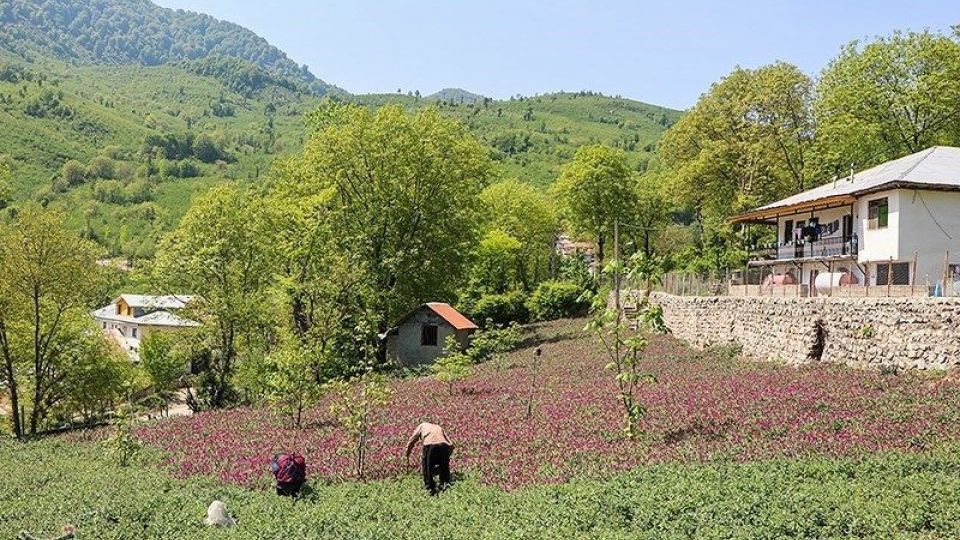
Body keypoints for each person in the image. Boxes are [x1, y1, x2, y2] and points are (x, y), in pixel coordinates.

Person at [405, 422, 453, 495]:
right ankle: (444, 486)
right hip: (444, 446)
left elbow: (412, 440)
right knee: (444, 467)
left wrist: (407, 452)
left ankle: (430, 488)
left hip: (430, 445)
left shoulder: (421, 426)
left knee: (426, 467)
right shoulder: (438, 427)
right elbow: (451, 444)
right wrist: (447, 456)